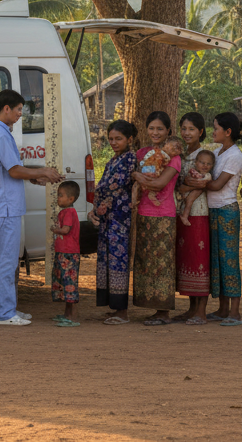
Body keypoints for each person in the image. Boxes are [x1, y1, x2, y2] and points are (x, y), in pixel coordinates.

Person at [0, 89, 61, 326]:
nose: (19, 115)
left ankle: (2, 309)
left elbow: (13, 170)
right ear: (6, 109)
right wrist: (42, 171)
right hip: (5, 207)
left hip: (0, 204)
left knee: (1, 261)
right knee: (6, 261)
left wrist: (33, 177)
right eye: (17, 110)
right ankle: (5, 313)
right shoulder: (1, 135)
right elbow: (14, 170)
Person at [131, 111, 181, 326]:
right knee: (146, 262)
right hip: (143, 212)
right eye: (151, 128)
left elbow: (160, 184)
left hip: (163, 215)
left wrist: (138, 177)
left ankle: (163, 311)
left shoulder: (174, 157)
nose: (155, 132)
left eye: (160, 129)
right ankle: (151, 307)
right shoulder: (142, 152)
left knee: (162, 263)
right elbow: (131, 172)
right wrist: (136, 175)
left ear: (168, 131)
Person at [95, 120, 138, 324]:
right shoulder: (112, 160)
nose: (113, 142)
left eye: (118, 139)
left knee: (118, 261)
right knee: (108, 259)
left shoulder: (130, 159)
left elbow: (115, 185)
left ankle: (122, 311)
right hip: (107, 218)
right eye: (111, 139)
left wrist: (101, 200)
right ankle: (114, 306)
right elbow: (103, 186)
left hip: (119, 219)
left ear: (129, 139)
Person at [206, 112, 242, 326]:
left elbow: (216, 185)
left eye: (216, 128)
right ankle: (223, 309)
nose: (213, 131)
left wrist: (196, 182)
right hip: (214, 209)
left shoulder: (234, 156)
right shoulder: (218, 152)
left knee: (229, 260)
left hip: (226, 210)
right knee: (218, 261)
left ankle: (235, 312)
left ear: (228, 132)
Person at [174, 112, 211, 324]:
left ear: (201, 131)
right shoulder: (180, 156)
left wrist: (185, 186)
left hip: (199, 212)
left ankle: (201, 311)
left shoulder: (205, 156)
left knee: (199, 260)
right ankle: (191, 309)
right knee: (187, 258)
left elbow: (203, 183)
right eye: (184, 129)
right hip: (182, 213)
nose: (187, 133)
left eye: (191, 129)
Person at [50, 181, 83, 326]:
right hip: (63, 252)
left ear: (71, 199)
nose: (58, 198)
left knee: (70, 283)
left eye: (61, 195)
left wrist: (55, 230)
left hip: (69, 253)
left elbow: (65, 230)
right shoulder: (64, 212)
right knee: (64, 282)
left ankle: (72, 316)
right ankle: (66, 314)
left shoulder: (69, 213)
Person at [176, 149, 214, 225]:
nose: (205, 165)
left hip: (199, 206)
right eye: (202, 163)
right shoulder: (194, 172)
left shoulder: (208, 175)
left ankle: (185, 216)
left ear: (212, 165)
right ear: (196, 163)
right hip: (187, 196)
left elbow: (201, 185)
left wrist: (191, 184)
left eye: (208, 164)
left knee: (189, 200)